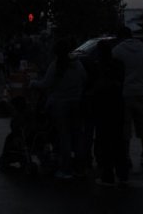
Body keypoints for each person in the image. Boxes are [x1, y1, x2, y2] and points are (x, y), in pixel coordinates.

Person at [30, 37, 87, 179]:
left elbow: (45, 83)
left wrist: (33, 83)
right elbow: (85, 79)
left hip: (60, 103)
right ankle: (80, 167)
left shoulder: (56, 65)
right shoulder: (78, 64)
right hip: (76, 102)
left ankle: (66, 168)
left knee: (64, 136)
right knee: (78, 135)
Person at [112, 26, 143, 170]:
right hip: (142, 92)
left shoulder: (117, 51)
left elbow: (114, 73)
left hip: (125, 93)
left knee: (125, 128)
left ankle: (127, 156)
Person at [91, 39, 128, 185]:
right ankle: (122, 172)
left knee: (104, 141)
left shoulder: (97, 67)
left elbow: (95, 85)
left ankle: (107, 174)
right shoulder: (118, 65)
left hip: (102, 107)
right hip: (117, 106)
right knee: (118, 140)